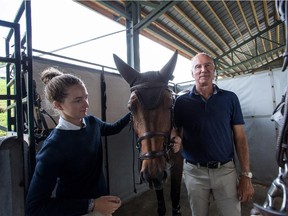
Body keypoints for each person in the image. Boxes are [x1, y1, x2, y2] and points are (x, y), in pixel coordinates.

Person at [25, 67, 131, 216]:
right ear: (58, 105)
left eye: (86, 97)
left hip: (103, 205)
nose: (86, 104)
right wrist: (92, 205)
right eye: (78, 100)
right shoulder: (53, 147)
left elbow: (114, 128)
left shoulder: (92, 123)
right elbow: (34, 208)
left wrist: (134, 109)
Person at [172, 52, 254, 216]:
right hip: (194, 173)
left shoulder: (230, 99)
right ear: (192, 73)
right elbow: (176, 130)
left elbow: (240, 138)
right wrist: (176, 139)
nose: (203, 70)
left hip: (225, 171)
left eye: (208, 65)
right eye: (198, 66)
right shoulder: (181, 102)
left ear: (214, 70)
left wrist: (246, 175)